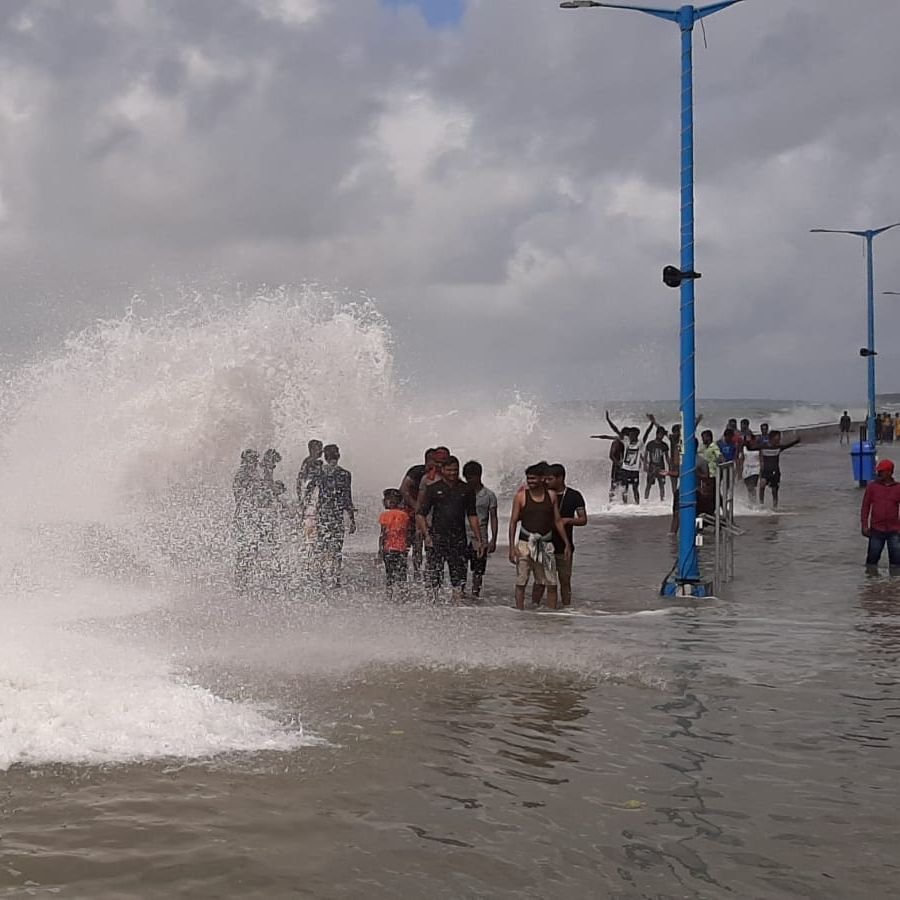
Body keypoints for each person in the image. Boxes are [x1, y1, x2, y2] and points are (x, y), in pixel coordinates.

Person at [417, 456, 483, 603]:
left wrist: (479, 539)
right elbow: (421, 514)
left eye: (455, 470)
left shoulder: (466, 489)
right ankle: (432, 606)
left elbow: (472, 515)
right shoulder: (433, 488)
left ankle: (457, 608)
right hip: (437, 539)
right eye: (449, 470)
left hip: (458, 539)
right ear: (442, 470)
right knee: (434, 576)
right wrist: (426, 535)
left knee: (458, 577)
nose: (453, 473)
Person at [508, 463, 570, 611]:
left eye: (534, 479)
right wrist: (512, 548)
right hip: (524, 543)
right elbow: (513, 522)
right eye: (528, 479)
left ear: (542, 479)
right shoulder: (521, 497)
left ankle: (551, 613)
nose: (530, 482)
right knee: (521, 581)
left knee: (551, 582)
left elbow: (557, 521)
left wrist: (567, 543)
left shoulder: (551, 495)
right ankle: (519, 611)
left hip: (546, 543)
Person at [535, 463, 586, 608]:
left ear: (560, 478)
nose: (546, 482)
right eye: (545, 479)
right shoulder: (542, 494)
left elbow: (583, 520)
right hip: (544, 544)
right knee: (540, 582)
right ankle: (534, 608)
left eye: (550, 479)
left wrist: (568, 520)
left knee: (564, 581)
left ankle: (566, 609)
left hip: (564, 546)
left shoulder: (574, 496)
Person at [307, 444, 355, 587]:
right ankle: (336, 577)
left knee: (322, 545)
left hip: (322, 513)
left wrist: (303, 507)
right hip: (337, 514)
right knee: (337, 547)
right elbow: (347, 498)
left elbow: (308, 490)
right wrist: (352, 519)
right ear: (338, 456)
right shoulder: (345, 474)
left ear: (325, 457)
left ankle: (321, 576)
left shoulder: (319, 472)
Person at [462, 460, 498, 600]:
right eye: (467, 477)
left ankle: (475, 595)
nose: (469, 480)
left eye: (471, 477)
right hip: (463, 535)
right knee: (461, 567)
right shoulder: (462, 493)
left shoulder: (489, 495)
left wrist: (493, 539)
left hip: (480, 538)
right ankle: (462, 593)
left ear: (479, 476)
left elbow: (493, 517)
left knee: (478, 570)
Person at [861, 459, 900, 574]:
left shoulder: (898, 488)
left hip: (894, 530)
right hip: (876, 530)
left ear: (889, 472)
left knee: (896, 564)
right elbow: (865, 507)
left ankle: (894, 587)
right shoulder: (872, 487)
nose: (879, 474)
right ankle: (871, 585)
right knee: (871, 562)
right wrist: (864, 525)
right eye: (879, 471)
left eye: (882, 471)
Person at [232, 449, 262, 591]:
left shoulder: (252, 474)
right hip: (244, 515)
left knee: (252, 547)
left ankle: (244, 578)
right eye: (253, 460)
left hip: (251, 514)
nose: (255, 463)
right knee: (245, 547)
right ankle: (240, 580)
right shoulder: (242, 474)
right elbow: (240, 495)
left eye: (256, 460)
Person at [400, 449, 433, 575]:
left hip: (427, 512)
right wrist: (416, 507)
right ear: (427, 460)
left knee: (424, 540)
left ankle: (422, 570)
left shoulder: (440, 475)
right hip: (410, 510)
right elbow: (403, 489)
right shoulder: (416, 471)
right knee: (410, 541)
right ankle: (408, 570)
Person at [378, 488, 410, 600]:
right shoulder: (404, 515)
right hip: (401, 548)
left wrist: (380, 551)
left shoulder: (384, 515)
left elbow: (383, 534)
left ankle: (389, 594)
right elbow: (407, 532)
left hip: (388, 549)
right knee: (402, 572)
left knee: (389, 573)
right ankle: (403, 594)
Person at [758, 431, 801, 508]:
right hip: (765, 471)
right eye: (777, 438)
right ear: (771, 438)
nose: (778, 440)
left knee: (774, 491)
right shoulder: (763, 446)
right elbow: (751, 447)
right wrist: (746, 443)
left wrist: (797, 441)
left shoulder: (778, 447)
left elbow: (788, 445)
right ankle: (761, 504)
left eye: (779, 439)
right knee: (762, 485)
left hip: (775, 472)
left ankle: (775, 506)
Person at [643, 423, 670, 501]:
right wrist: (645, 466)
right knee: (649, 484)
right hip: (652, 467)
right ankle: (646, 499)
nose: (661, 436)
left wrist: (670, 467)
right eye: (660, 434)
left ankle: (662, 499)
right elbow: (646, 456)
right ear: (657, 434)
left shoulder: (664, 445)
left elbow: (667, 457)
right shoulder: (650, 444)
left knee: (661, 484)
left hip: (661, 467)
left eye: (663, 435)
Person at [741, 435, 761, 504]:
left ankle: (754, 502)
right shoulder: (744, 448)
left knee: (752, 486)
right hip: (746, 469)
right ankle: (751, 501)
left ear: (753, 440)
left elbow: (762, 459)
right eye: (747, 441)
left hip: (756, 469)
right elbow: (741, 459)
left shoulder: (759, 448)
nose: (748, 442)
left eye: (750, 440)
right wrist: (739, 470)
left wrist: (762, 470)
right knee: (749, 488)